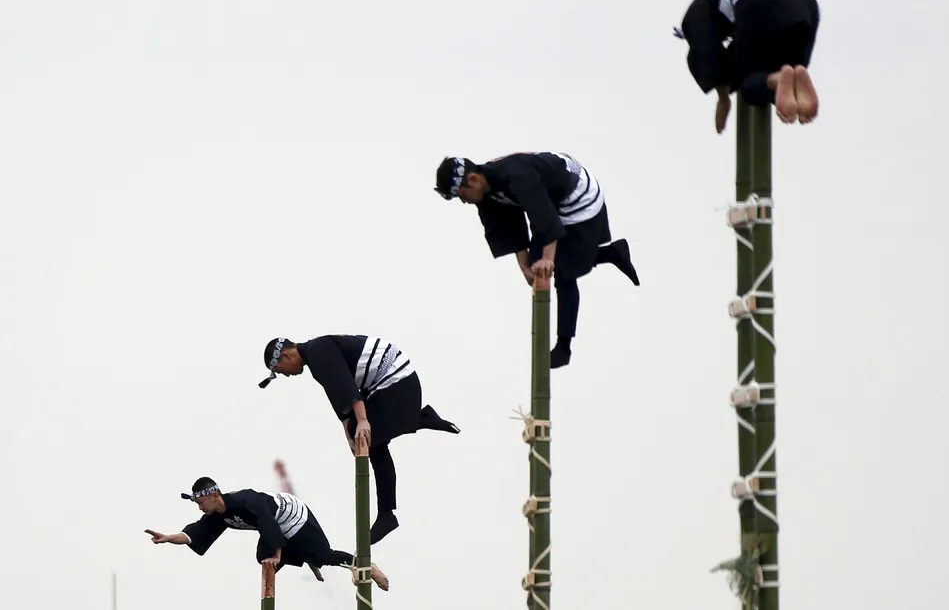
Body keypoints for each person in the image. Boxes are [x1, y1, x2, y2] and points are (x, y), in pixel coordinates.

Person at [433, 152, 640, 368]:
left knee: (562, 270)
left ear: (473, 179)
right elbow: (504, 225)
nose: (464, 201)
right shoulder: (487, 190)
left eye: (461, 194)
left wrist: (549, 258)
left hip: (577, 192)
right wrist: (524, 266)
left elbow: (542, 211)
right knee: (538, 263)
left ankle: (563, 347)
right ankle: (612, 253)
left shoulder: (515, 174)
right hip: (551, 202)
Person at [258, 334, 460, 545]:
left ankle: (387, 512)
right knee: (364, 437)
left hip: (398, 385)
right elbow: (339, 396)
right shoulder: (317, 355)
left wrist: (363, 421)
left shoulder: (318, 352)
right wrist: (350, 432)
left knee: (368, 437)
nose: (287, 376)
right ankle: (418, 421)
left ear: (285, 356)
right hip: (393, 387)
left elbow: (347, 388)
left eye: (282, 371)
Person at [144, 476, 390, 591]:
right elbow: (194, 534)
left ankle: (366, 566)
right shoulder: (217, 516)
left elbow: (267, 522)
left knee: (323, 555)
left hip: (293, 515)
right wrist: (168, 538)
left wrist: (277, 551)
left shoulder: (245, 499)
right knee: (263, 558)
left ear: (214, 495)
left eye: (200, 502)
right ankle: (305, 558)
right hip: (275, 529)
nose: (200, 508)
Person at [673, 0, 821, 131]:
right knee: (791, 71)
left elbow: (706, 52)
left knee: (749, 83)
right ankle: (796, 93)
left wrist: (723, 98)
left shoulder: (701, 8)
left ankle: (776, 79)